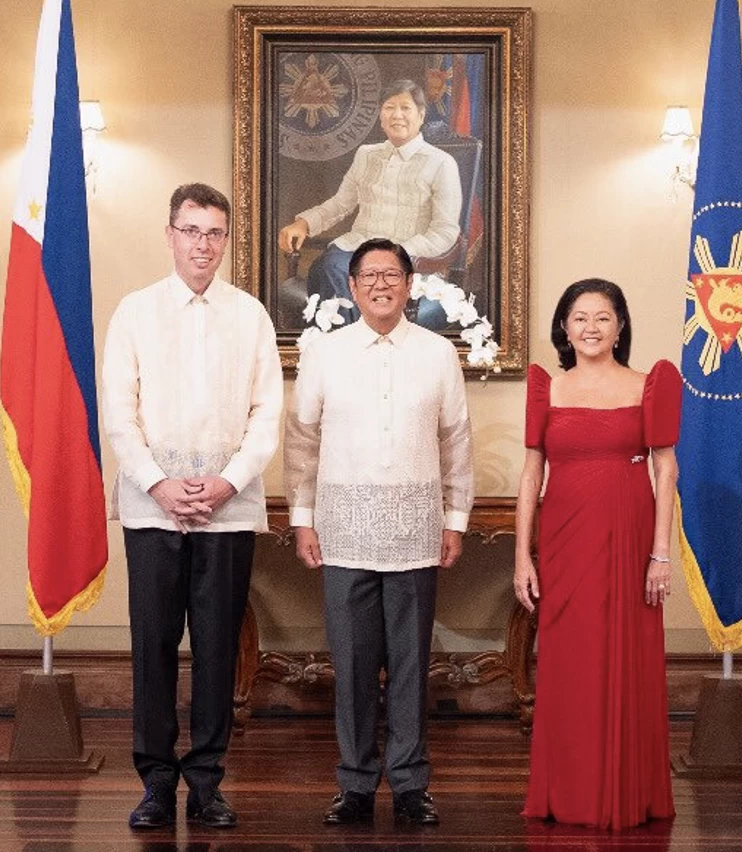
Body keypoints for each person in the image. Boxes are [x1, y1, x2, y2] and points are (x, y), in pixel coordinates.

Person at [102, 183, 283, 830]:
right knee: (153, 645)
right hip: (153, 510)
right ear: (170, 233)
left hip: (227, 511)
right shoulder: (135, 312)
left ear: (226, 240)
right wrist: (158, 483)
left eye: (214, 233)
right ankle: (154, 782)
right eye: (191, 230)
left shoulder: (251, 316)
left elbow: (268, 415)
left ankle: (206, 782)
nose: (202, 244)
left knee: (215, 649)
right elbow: (119, 412)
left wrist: (230, 482)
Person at [284, 238, 474, 825]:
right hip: (342, 530)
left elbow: (455, 441)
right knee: (354, 663)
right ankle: (358, 783)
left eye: (392, 274)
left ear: (410, 284)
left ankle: (413, 784)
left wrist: (455, 518)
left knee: (413, 665)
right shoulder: (325, 352)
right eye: (369, 275)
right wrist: (301, 517)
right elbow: (303, 441)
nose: (380, 284)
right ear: (354, 285)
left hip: (416, 529)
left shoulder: (439, 354)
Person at [514, 278, 680, 831]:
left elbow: (666, 468)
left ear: (620, 326)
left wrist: (660, 554)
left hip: (631, 537)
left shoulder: (650, 384)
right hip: (564, 538)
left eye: (602, 317)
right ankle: (572, 792)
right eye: (579, 317)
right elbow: (531, 475)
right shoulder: (547, 389)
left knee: (625, 657)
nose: (590, 326)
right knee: (571, 664)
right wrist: (523, 557)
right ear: (564, 327)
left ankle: (628, 791)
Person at [278, 80, 462, 329]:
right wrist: (304, 223)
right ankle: (349, 350)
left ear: (421, 115)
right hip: (356, 250)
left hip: (409, 260)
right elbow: (341, 204)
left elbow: (445, 232)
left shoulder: (441, 163)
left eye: (405, 108)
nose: (397, 115)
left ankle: (357, 354)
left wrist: (399, 254)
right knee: (328, 267)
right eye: (389, 107)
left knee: (357, 274)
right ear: (380, 116)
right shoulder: (366, 154)